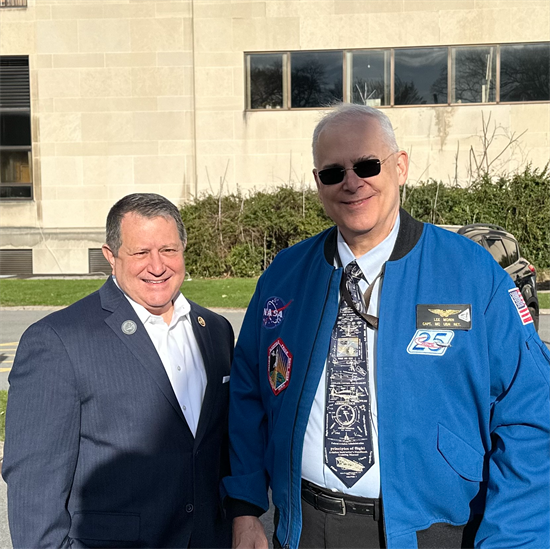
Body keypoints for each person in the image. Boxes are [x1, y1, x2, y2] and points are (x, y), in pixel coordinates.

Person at [222, 104, 550, 549]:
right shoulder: (285, 274)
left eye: (367, 165)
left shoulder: (470, 273)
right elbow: (247, 392)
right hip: (303, 528)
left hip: (433, 533)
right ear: (318, 183)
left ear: (400, 167)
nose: (352, 183)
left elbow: (529, 415)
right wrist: (244, 507)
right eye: (333, 172)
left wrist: (514, 540)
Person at [4, 193, 233, 549]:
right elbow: (34, 485)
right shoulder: (57, 341)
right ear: (111, 257)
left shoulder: (215, 330)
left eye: (169, 250)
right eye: (140, 253)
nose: (157, 266)